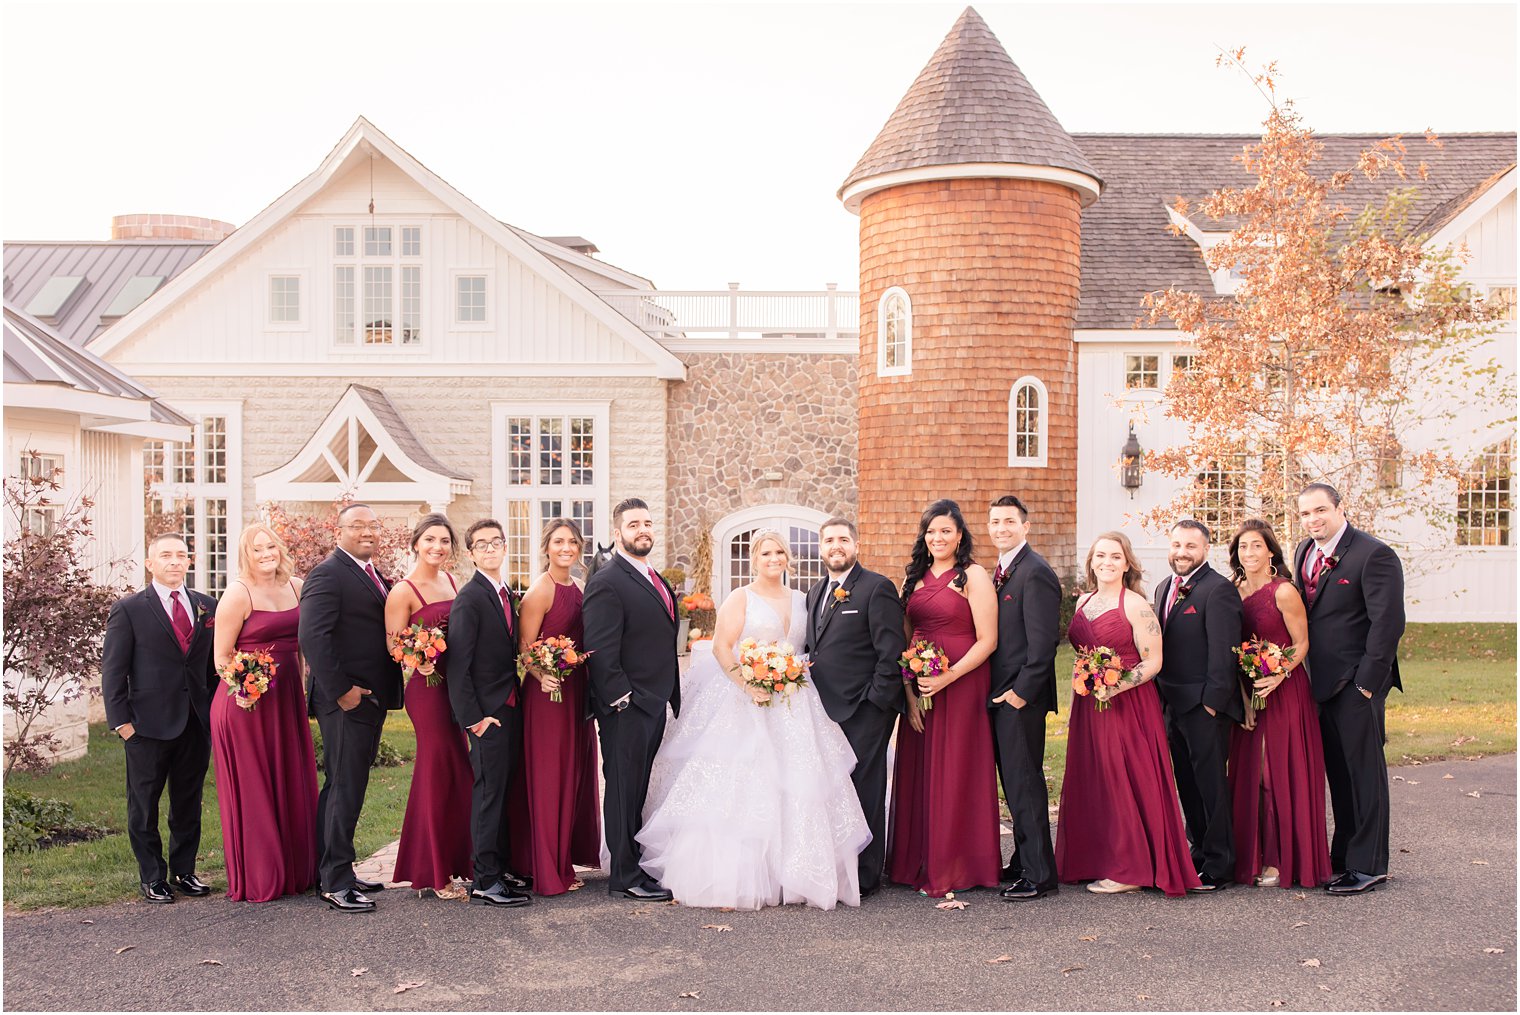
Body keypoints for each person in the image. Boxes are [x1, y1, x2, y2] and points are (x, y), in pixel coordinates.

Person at [638, 531, 870, 910]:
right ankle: (748, 875)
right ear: (754, 558)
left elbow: (810, 646)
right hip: (749, 699)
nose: (774, 558)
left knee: (801, 784)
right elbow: (721, 647)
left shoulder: (804, 599)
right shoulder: (740, 597)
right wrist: (748, 684)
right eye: (766, 552)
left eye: (780, 552)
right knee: (747, 785)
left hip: (797, 700)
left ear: (788, 558)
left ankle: (797, 874)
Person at [1056, 532, 1199, 897]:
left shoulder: (1135, 605)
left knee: (1123, 778)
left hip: (1128, 703)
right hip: (1091, 703)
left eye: (1115, 556)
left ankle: (1132, 867)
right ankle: (1096, 858)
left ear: (1127, 563)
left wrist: (1116, 685)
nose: (1107, 562)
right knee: (1097, 778)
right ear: (1090, 561)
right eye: (1100, 555)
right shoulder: (1083, 602)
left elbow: (1154, 661)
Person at [1292, 482, 1406, 895]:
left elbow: (1388, 624)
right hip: (1319, 683)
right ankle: (1343, 856)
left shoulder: (1374, 555)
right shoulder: (1304, 552)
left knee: (1364, 777)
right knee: (1338, 776)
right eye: (1305, 514)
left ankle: (1369, 865)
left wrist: (1367, 686)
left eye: (1320, 510)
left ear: (1340, 508)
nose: (1312, 520)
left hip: (1357, 686)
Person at [887, 499, 1002, 898]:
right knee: (922, 769)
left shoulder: (972, 575)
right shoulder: (914, 579)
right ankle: (918, 860)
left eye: (946, 531)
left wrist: (948, 676)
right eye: (931, 531)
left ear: (959, 535)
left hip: (964, 683)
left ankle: (957, 864)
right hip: (920, 683)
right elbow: (905, 639)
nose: (938, 538)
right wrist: (911, 693)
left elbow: (988, 641)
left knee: (957, 768)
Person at [299, 502, 405, 913]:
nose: (367, 532)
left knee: (346, 784)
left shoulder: (372, 575)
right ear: (338, 531)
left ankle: (333, 869)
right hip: (345, 700)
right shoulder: (327, 575)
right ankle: (336, 882)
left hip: (368, 698)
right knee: (345, 786)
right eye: (357, 525)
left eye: (372, 526)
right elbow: (314, 636)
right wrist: (343, 691)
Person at [102, 533, 219, 904]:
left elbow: (212, 669)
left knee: (188, 800)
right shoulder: (130, 609)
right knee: (144, 804)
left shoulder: (207, 606)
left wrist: (214, 712)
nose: (174, 561)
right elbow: (113, 671)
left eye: (181, 555)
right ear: (150, 563)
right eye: (165, 555)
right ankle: (152, 876)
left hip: (195, 723)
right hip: (146, 726)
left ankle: (184, 871)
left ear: (189, 561)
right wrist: (123, 724)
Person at [210, 522, 318, 903]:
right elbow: (221, 658)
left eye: (270, 546)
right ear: (246, 554)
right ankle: (262, 875)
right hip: (245, 703)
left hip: (286, 697)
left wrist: (305, 685)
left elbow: (301, 644)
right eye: (258, 549)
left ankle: (299, 869)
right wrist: (245, 688)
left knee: (291, 777)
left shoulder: (298, 587)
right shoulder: (237, 595)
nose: (266, 554)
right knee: (257, 785)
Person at [582, 497, 681, 901]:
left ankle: (632, 863)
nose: (643, 530)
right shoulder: (607, 580)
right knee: (623, 790)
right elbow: (600, 648)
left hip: (654, 703)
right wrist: (622, 698)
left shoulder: (654, 576)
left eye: (647, 523)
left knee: (637, 788)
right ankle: (624, 876)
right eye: (633, 524)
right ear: (618, 531)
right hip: (628, 707)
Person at [804, 516, 907, 898]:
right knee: (837, 790)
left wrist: (877, 703)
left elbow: (891, 653)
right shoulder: (815, 592)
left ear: (856, 545)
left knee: (865, 788)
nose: (836, 546)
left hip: (865, 710)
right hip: (823, 711)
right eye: (829, 540)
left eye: (843, 539)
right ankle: (841, 867)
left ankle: (866, 875)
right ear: (820, 548)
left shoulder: (876, 588)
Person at [1227, 518, 1333, 890]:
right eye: (1242, 547)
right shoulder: (1232, 590)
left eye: (1256, 545)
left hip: (1283, 690)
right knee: (1248, 774)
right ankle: (1249, 854)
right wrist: (1245, 690)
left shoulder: (1284, 591)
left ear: (1270, 550)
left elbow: (1301, 643)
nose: (1249, 553)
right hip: (1247, 690)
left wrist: (1279, 673)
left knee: (1275, 772)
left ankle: (1279, 857)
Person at [508, 519, 602, 897]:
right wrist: (541, 672)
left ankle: (563, 858)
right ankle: (546, 868)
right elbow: (525, 647)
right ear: (546, 547)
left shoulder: (579, 586)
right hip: (548, 694)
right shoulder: (539, 591)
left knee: (573, 772)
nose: (566, 548)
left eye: (572, 542)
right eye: (558, 542)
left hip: (576, 691)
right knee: (550, 776)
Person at [1152, 520, 1244, 892]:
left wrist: (1211, 704)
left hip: (1204, 706)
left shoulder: (1217, 590)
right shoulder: (1163, 588)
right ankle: (1200, 852)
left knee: (1211, 786)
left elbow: (1225, 653)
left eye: (1190, 546)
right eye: (1176, 544)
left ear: (1206, 549)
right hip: (1170, 703)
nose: (1182, 552)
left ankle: (1221, 863)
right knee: (1186, 784)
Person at [446, 518, 531, 908]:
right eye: (482, 544)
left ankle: (498, 870)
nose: (491, 549)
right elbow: (458, 666)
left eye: (496, 542)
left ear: (505, 546)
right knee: (488, 794)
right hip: (487, 717)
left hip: (509, 708)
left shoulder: (503, 591)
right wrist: (475, 719)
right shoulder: (470, 598)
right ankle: (484, 880)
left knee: (502, 792)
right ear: (471, 553)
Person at [388, 513, 474, 897]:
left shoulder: (453, 581)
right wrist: (416, 658)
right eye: (430, 540)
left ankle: (460, 862)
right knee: (436, 770)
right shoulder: (403, 592)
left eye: (444, 541)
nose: (437, 547)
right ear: (416, 543)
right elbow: (393, 645)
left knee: (459, 771)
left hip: (454, 687)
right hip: (426, 689)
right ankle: (434, 873)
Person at [985, 495, 1061, 900]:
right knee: (1013, 784)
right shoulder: (1000, 570)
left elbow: (1044, 644)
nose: (1001, 528)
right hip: (1000, 696)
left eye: (1009, 521)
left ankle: (1039, 875)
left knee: (1025, 783)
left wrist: (1019, 694)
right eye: (995, 521)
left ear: (1025, 526)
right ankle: (1023, 858)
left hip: (1020, 699)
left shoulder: (1035, 572)